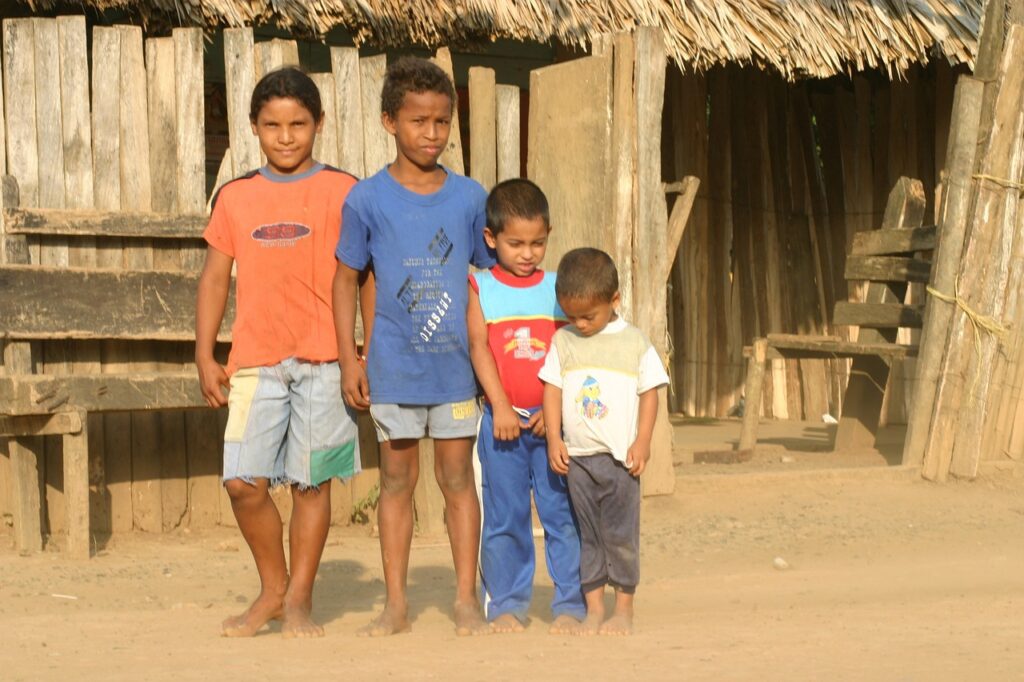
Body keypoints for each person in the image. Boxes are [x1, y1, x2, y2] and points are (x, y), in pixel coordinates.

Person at [195, 67, 361, 639]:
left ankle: (298, 602)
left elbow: (362, 275)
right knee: (243, 481)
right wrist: (204, 353)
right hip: (254, 364)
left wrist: (360, 354)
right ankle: (271, 586)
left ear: (319, 124)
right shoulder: (236, 197)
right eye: (272, 125)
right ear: (253, 128)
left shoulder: (345, 191)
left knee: (312, 484)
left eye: (298, 124)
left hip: (325, 362)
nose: (286, 137)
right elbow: (215, 279)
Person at [333, 56, 493, 637]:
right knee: (396, 484)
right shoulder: (367, 200)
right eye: (419, 121)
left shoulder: (471, 198)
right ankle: (395, 605)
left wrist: (495, 365)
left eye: (442, 122)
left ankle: (464, 600)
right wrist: (351, 358)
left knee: (457, 482)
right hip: (393, 369)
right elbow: (346, 278)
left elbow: (489, 280)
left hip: (454, 373)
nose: (432, 134)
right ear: (388, 121)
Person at [466, 179, 585, 634]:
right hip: (503, 426)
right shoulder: (480, 286)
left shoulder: (560, 288)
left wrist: (553, 416)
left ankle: (571, 603)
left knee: (561, 516)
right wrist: (499, 405)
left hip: (551, 429)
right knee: (504, 516)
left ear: (549, 234)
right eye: (515, 243)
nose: (528, 253)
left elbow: (572, 352)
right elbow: (479, 347)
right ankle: (508, 605)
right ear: (491, 239)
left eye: (538, 242)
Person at [539, 248, 669, 636]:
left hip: (620, 463)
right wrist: (553, 439)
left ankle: (623, 609)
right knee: (589, 536)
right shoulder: (563, 342)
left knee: (621, 536)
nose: (579, 324)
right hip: (578, 461)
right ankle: (594, 608)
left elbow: (651, 392)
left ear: (614, 300)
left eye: (588, 316)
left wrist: (643, 441)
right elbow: (551, 389)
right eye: (571, 315)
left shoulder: (634, 342)